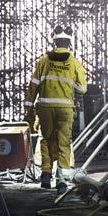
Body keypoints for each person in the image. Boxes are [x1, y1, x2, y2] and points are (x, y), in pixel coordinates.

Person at [24, 25, 87, 194]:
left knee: (46, 139)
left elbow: (33, 85)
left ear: (54, 41)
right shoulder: (74, 62)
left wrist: (28, 108)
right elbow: (83, 89)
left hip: (45, 108)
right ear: (69, 43)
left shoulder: (44, 60)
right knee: (64, 143)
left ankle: (45, 174)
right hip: (65, 109)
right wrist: (67, 81)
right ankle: (61, 181)